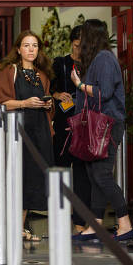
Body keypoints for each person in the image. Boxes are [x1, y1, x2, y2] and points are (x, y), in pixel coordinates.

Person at [69, 19, 133, 242]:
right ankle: (94, 225)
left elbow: (103, 93)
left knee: (101, 175)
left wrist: (78, 84)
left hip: (106, 124)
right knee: (94, 175)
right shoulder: (97, 59)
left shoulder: (105, 58)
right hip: (97, 124)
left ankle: (125, 223)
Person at [0, 31, 54, 241]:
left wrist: (48, 103)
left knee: (33, 180)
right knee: (18, 177)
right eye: (26, 45)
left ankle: (20, 227)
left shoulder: (42, 74)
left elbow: (47, 104)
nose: (31, 49)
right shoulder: (10, 71)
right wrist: (24, 103)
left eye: (35, 46)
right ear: (18, 49)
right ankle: (14, 227)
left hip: (40, 131)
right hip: (18, 131)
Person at [51, 25, 90, 233]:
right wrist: (57, 95)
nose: (78, 51)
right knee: (62, 167)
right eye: (75, 46)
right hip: (64, 121)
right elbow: (48, 86)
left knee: (82, 171)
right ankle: (60, 211)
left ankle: (80, 218)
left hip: (84, 121)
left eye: (82, 46)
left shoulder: (91, 63)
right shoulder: (60, 63)